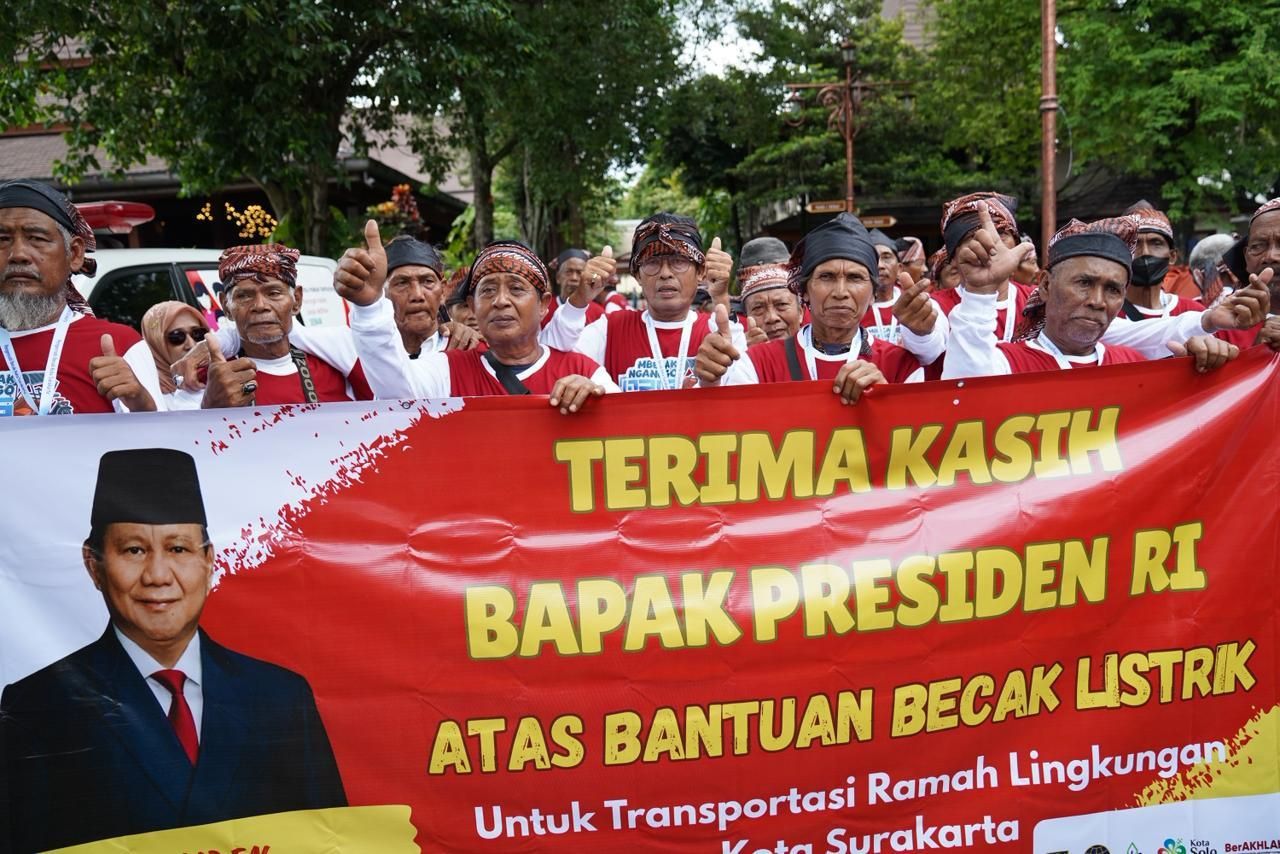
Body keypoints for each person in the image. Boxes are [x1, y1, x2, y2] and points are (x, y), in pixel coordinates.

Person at [1, 448, 345, 852]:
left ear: (209, 561)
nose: (158, 576)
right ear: (94, 565)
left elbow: (329, 840)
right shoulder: (37, 707)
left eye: (178, 549)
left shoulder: (280, 698)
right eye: (134, 550)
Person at [941, 207, 1264, 376]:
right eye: (1083, 283)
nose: (1097, 301)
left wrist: (1205, 375)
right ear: (1046, 285)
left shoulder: (1132, 366)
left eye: (1112, 289)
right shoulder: (1004, 363)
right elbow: (966, 391)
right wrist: (980, 293)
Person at [337, 224, 617, 412]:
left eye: (516, 289)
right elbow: (395, 392)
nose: (500, 301)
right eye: (488, 290)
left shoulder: (583, 370)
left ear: (544, 304)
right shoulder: (447, 368)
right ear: (472, 305)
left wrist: (597, 402)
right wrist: (370, 307)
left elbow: (632, 426)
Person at [695, 212, 933, 403]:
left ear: (872, 294)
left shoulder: (901, 366)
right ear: (804, 291)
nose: (840, 292)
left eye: (855, 278)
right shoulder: (758, 363)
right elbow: (734, 436)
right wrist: (709, 384)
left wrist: (888, 403)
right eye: (827, 277)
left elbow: (913, 454)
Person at [0, 179, 162, 415]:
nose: (19, 254)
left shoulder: (120, 345)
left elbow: (161, 447)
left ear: (74, 254)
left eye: (36, 238)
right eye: (2, 239)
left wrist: (140, 402)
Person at [541, 212, 747, 391]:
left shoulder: (717, 329)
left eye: (678, 262)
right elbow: (548, 361)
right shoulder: (609, 329)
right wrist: (579, 300)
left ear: (701, 272)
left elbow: (744, 396)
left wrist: (721, 297)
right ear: (637, 275)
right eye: (652, 263)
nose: (665, 273)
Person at [181, 244, 376, 409]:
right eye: (244, 296)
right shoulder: (205, 379)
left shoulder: (338, 361)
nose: (260, 306)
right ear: (226, 306)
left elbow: (393, 408)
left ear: (297, 300)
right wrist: (211, 406)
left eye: (273, 293)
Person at [930, 192, 1038, 343]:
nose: (989, 242)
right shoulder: (935, 307)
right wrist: (919, 337)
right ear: (953, 257)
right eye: (972, 237)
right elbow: (928, 346)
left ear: (1016, 243)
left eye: (1001, 233)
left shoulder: (1038, 301)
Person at [381, 235, 481, 357]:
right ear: (381, 293)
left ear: (443, 290)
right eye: (402, 283)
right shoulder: (363, 355)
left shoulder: (471, 350)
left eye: (427, 281)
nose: (417, 295)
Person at [1217, 197, 1280, 348]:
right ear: (1246, 257)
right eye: (1258, 246)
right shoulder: (1220, 326)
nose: (1270, 256)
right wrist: (1257, 354)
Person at [1122, 205, 1204, 320]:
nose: (1145, 252)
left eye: (1156, 243)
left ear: (1172, 256)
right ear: (1120, 255)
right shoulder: (1103, 316)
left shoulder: (1195, 315)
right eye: (1135, 244)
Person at [141, 301, 211, 408]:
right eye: (177, 337)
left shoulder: (220, 377)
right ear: (156, 344)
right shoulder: (147, 400)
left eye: (198, 334)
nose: (192, 345)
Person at [861, 229, 906, 344]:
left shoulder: (911, 302)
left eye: (886, 257)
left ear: (899, 268)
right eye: (874, 258)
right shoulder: (855, 307)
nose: (880, 265)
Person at [542, 248, 605, 329]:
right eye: (568, 272)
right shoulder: (544, 309)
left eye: (579, 273)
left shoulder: (598, 313)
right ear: (558, 277)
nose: (574, 278)